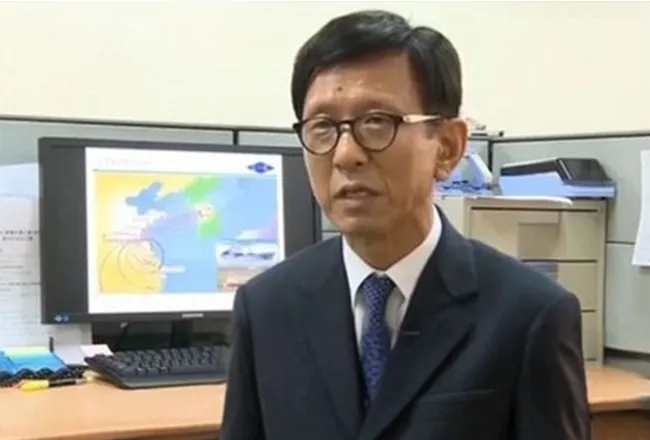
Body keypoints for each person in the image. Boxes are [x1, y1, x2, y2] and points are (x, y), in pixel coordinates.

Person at [221, 9, 591, 440]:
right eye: (323, 127)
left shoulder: (528, 316)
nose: (346, 155)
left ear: (448, 147)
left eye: (377, 122)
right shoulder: (266, 308)